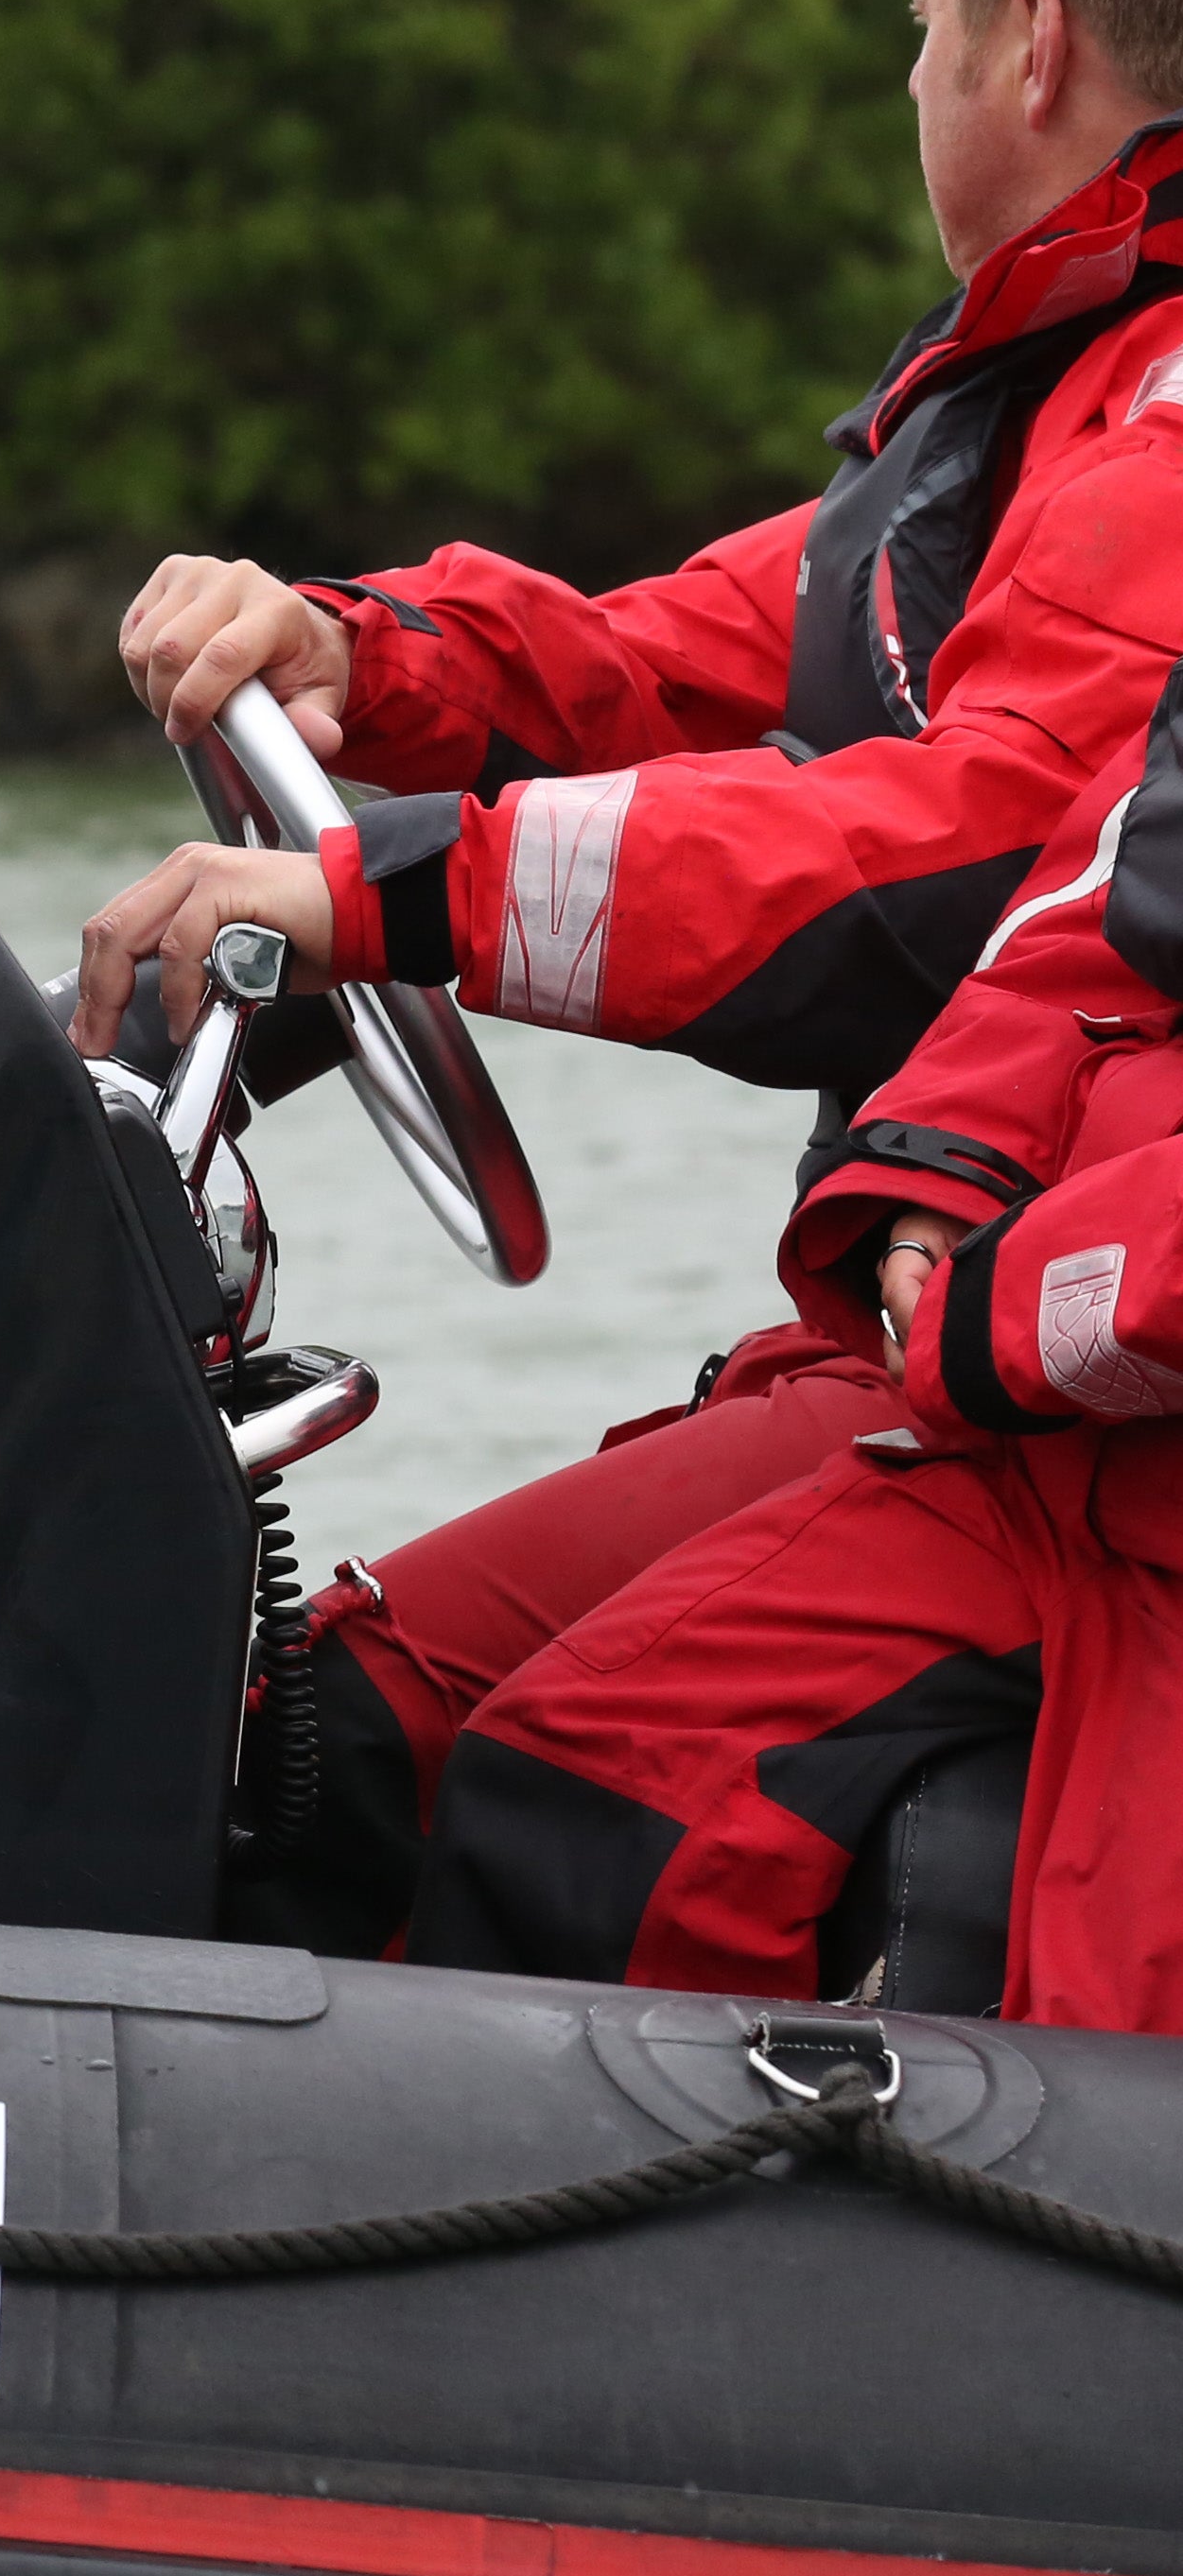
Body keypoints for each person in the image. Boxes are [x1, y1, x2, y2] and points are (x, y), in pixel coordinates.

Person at [63, 0, 1183, 1949]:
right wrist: (355, 656)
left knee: (504, 1783)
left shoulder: (1153, 417)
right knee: (329, 1716)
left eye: (916, 20)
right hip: (929, 1337)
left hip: (1051, 1400)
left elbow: (947, 842)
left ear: (1025, 42)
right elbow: (701, 643)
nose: (905, 78)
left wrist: (373, 890)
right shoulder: (1063, 388)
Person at [409, 665, 1183, 2028]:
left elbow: (956, 819)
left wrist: (409, 894)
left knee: (1107, 2002)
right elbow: (1078, 927)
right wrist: (946, 1176)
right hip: (1041, 1451)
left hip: (1078, 1413)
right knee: (583, 1782)